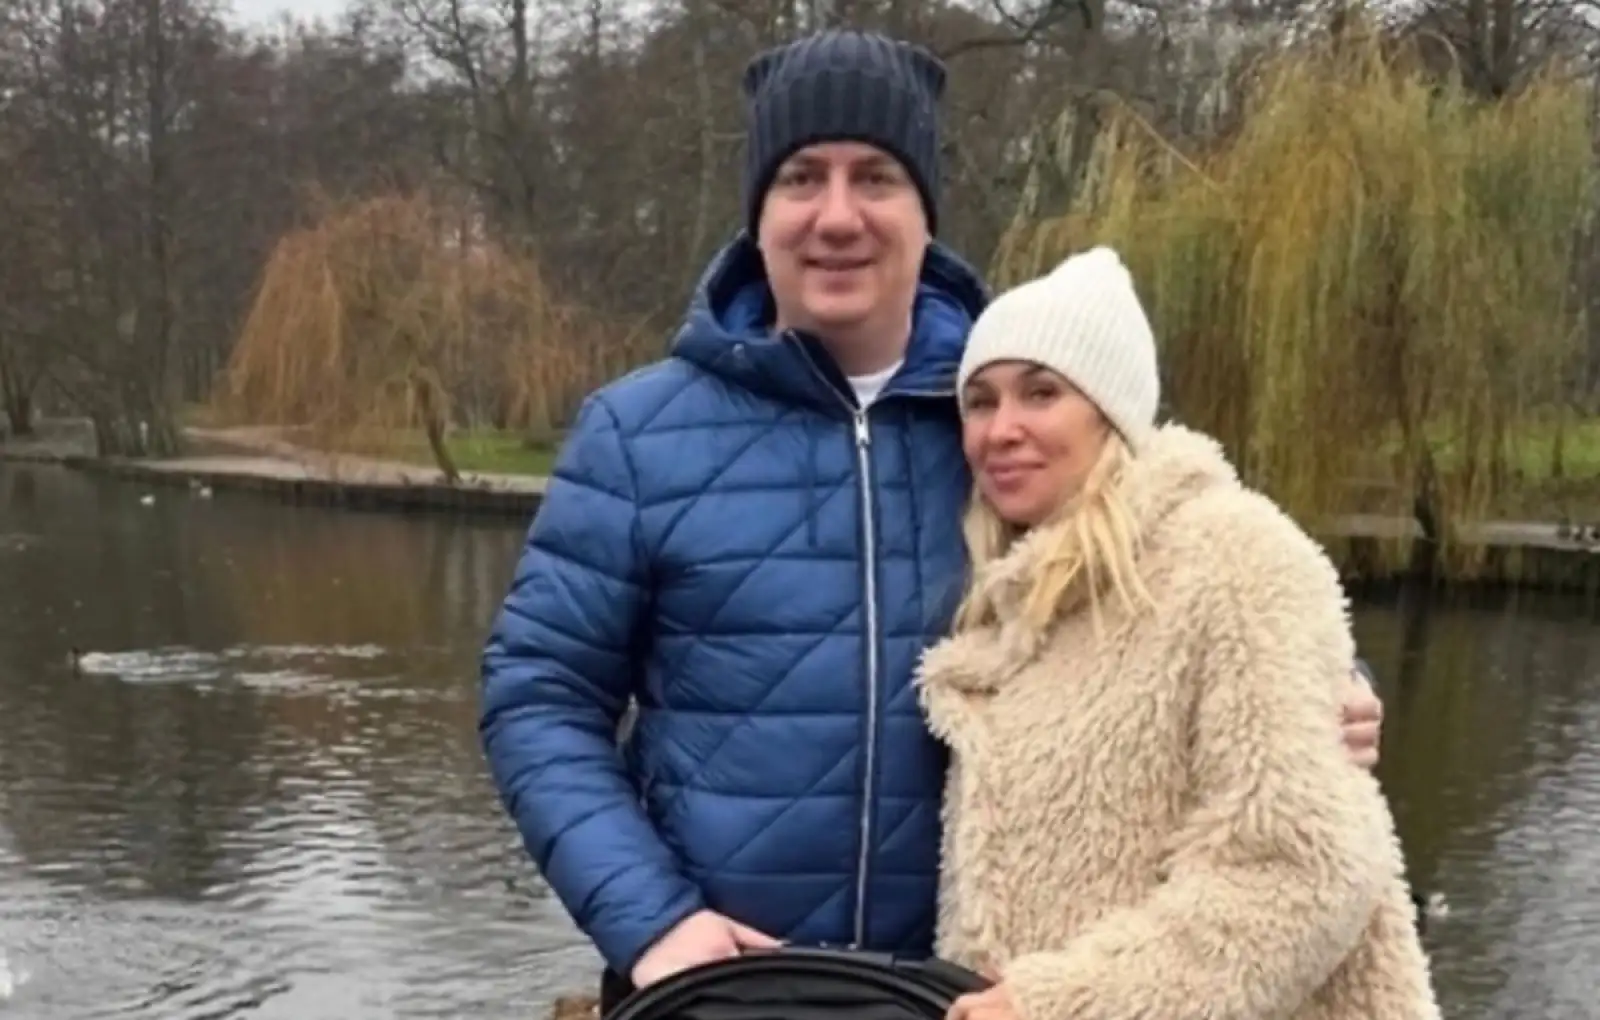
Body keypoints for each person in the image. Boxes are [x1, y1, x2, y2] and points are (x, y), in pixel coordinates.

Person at [477, 27, 1388, 1011]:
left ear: (924, 212)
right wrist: (654, 921)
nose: (837, 216)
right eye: (800, 178)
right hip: (718, 989)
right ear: (758, 214)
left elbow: (1184, 559)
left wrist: (1329, 684)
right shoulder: (636, 433)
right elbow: (540, 698)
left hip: (971, 994)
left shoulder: (1013, 417)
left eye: (875, 178)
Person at [920, 247, 1440, 1020]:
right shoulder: (1011, 601)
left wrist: (1068, 1005)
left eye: (1041, 393)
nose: (1002, 429)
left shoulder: (1232, 555)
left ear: (1112, 411)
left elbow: (1302, 870)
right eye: (980, 402)